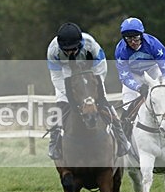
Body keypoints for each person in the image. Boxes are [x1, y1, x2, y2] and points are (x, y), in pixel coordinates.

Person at [46, 22, 135, 161]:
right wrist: (71, 95)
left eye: (73, 49)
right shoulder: (53, 50)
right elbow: (56, 77)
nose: (70, 52)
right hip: (67, 75)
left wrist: (93, 93)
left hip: (91, 73)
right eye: (66, 50)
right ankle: (53, 144)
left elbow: (100, 71)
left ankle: (122, 139)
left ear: (80, 43)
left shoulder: (91, 45)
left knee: (104, 104)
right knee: (60, 107)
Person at [114, 17, 165, 143]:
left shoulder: (153, 44)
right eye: (129, 39)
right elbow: (124, 75)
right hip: (133, 74)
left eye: (136, 38)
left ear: (141, 35)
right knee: (128, 102)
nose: (133, 42)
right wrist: (138, 87)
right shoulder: (121, 50)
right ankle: (123, 139)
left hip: (152, 70)